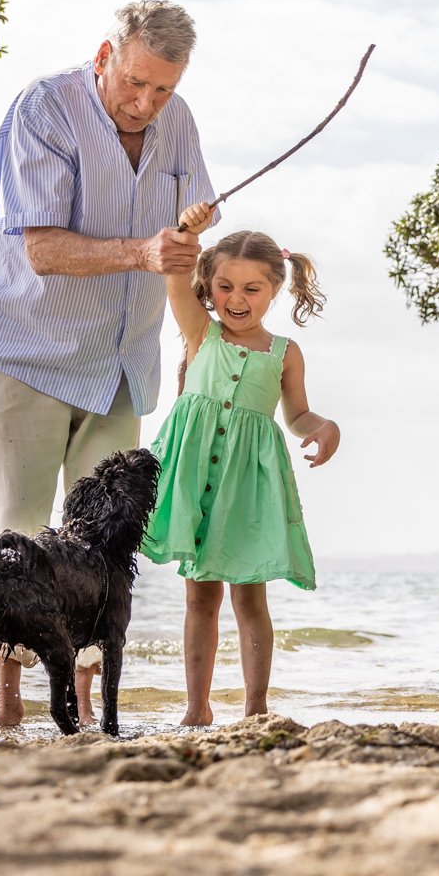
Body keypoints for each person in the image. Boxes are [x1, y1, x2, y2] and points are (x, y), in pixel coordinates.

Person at [0, 0, 218, 728]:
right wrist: (142, 250)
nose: (146, 102)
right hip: (26, 354)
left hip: (122, 364)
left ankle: (92, 718)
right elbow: (42, 248)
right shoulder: (45, 109)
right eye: (134, 82)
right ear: (105, 56)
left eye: (162, 88)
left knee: (103, 551)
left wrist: (197, 240)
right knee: (13, 539)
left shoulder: (178, 119)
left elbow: (188, 219)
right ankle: (6, 710)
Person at [140, 214, 338, 724]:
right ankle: (196, 709)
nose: (237, 297)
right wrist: (187, 232)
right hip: (193, 477)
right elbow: (173, 276)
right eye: (225, 285)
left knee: (250, 598)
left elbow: (296, 415)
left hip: (245, 486)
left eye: (252, 288)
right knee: (198, 596)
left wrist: (323, 427)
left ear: (275, 288)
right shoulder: (199, 331)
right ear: (209, 285)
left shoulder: (284, 353)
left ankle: (256, 708)